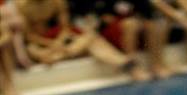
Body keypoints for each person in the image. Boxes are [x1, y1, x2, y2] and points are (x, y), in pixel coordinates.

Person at [16, 0, 147, 79]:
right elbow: (29, 37)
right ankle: (126, 63)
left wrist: (59, 42)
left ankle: (125, 64)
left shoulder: (57, 2)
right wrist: (51, 44)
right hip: (40, 45)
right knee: (34, 51)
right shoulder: (22, 6)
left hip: (60, 43)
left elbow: (65, 28)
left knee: (91, 37)